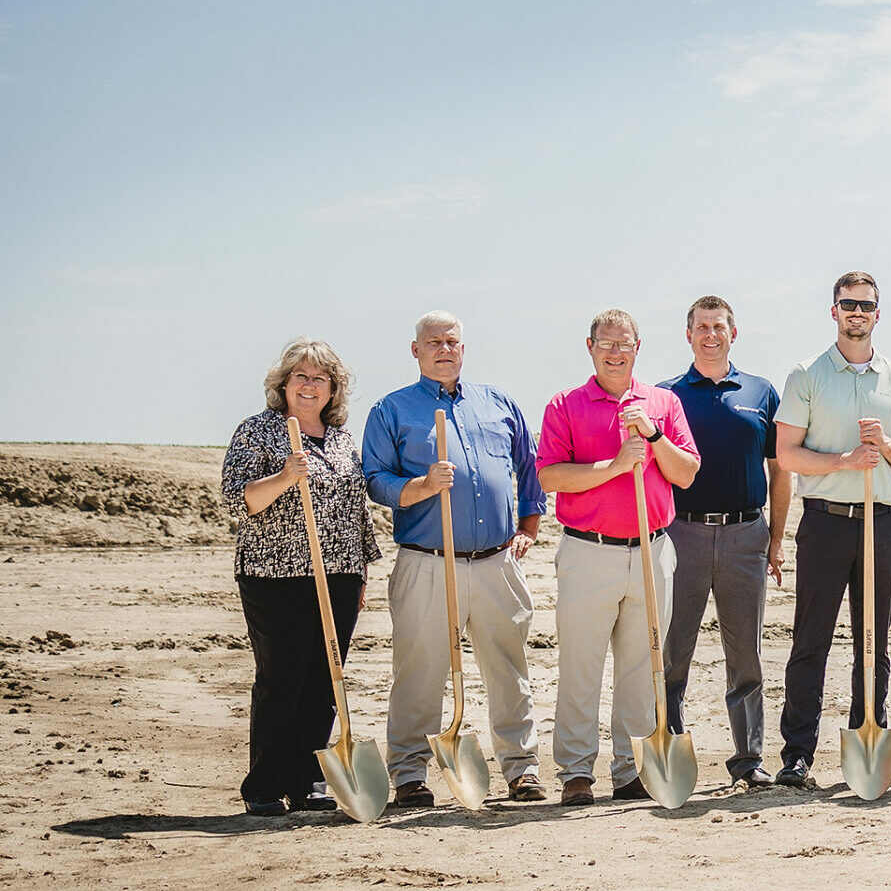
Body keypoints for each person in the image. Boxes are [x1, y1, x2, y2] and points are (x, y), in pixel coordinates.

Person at [361, 312, 547, 808]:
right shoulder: (392, 410)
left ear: (463, 347)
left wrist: (529, 524)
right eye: (433, 342)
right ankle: (408, 773)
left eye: (452, 341)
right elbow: (374, 478)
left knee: (509, 669)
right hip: (427, 561)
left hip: (496, 562)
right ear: (415, 350)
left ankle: (522, 769)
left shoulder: (498, 402)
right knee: (419, 671)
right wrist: (420, 487)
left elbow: (529, 465)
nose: (444, 349)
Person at [535, 310, 700, 805]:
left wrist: (653, 437)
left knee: (642, 666)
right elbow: (551, 477)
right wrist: (614, 466)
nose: (614, 352)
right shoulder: (565, 404)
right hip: (589, 551)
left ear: (637, 347)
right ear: (590, 347)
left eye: (622, 344)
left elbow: (687, 473)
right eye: (605, 344)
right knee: (581, 667)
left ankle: (631, 769)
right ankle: (576, 773)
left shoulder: (663, 403)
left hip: (652, 549)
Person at [771, 271, 891, 789]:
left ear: (877, 314)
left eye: (865, 305)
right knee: (810, 641)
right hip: (825, 524)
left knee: (873, 639)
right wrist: (845, 459)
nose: (856, 313)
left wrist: (883, 446)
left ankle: (870, 733)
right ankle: (796, 755)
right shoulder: (808, 375)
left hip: (882, 524)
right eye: (847, 304)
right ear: (833, 311)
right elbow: (787, 455)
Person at [222, 338, 380, 816]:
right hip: (276, 575)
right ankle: (265, 784)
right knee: (282, 678)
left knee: (324, 679)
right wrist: (285, 477)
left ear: (333, 388)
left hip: (340, 574)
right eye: (301, 377)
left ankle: (309, 779)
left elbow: (357, 509)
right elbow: (236, 500)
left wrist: (361, 573)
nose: (310, 386)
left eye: (320, 378)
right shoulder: (259, 431)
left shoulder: (341, 438)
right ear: (283, 384)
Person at [656, 296, 787, 788]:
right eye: (701, 326)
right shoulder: (666, 395)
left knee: (746, 655)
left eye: (719, 326)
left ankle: (748, 761)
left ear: (735, 332)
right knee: (673, 652)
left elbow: (780, 471)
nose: (711, 334)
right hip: (681, 533)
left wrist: (775, 539)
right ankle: (668, 750)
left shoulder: (762, 392)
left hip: (745, 535)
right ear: (688, 334)